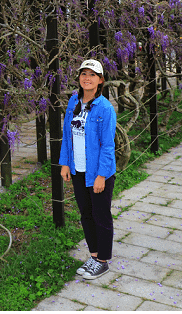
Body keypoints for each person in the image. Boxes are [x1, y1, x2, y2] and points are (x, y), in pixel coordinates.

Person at [59, 59, 117, 279]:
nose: (87, 78)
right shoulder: (74, 101)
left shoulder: (105, 108)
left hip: (98, 172)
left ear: (100, 80)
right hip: (78, 170)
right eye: (84, 74)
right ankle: (94, 255)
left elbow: (108, 145)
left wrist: (102, 175)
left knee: (101, 214)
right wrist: (65, 162)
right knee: (86, 214)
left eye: (92, 74)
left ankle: (103, 260)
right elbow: (67, 135)